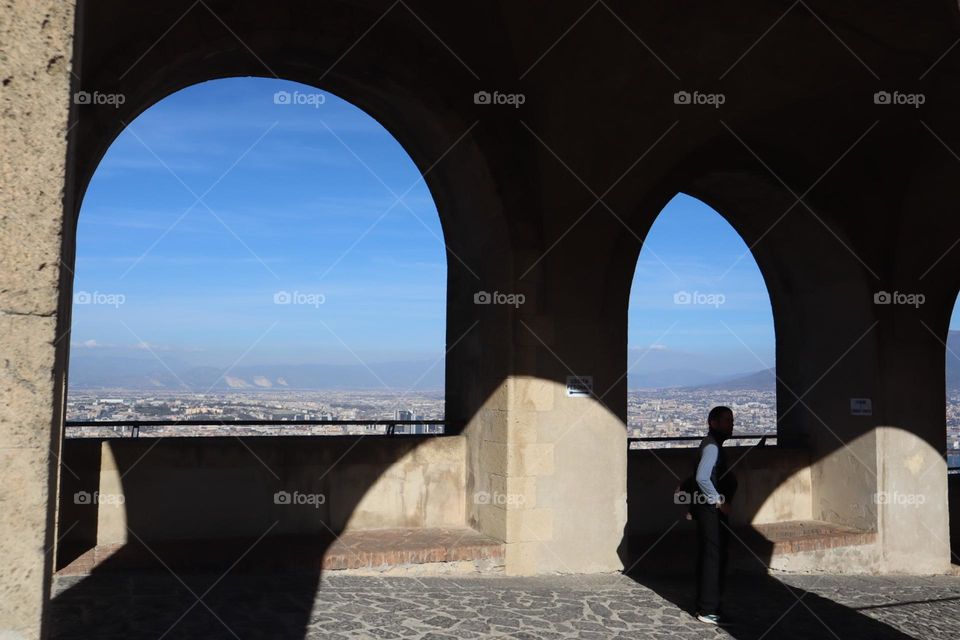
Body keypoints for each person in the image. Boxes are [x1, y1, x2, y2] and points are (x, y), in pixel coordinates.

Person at [692, 406, 736, 626]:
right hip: (711, 511)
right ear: (713, 423)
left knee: (711, 556)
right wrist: (719, 501)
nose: (731, 425)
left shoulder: (710, 444)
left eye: (732, 420)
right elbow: (702, 477)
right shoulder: (712, 447)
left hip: (706, 509)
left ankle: (707, 604)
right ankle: (708, 608)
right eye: (727, 421)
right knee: (713, 558)